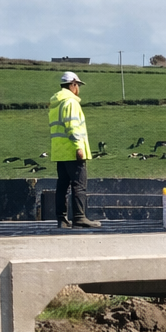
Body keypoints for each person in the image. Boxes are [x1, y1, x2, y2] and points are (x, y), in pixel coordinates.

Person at [48, 72, 101, 228]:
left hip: (60, 151)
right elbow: (72, 126)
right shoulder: (70, 103)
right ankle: (79, 217)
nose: (78, 88)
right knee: (79, 185)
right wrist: (79, 146)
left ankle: (62, 219)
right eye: (77, 85)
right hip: (72, 150)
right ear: (72, 85)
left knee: (62, 186)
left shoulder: (56, 104)